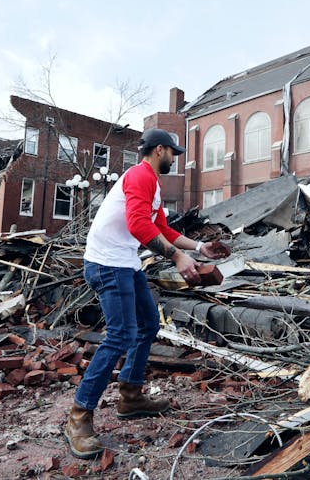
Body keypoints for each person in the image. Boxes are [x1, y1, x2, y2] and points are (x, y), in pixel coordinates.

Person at [64, 128, 230, 459]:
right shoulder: (139, 176)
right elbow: (139, 225)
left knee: (148, 324)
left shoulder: (150, 182)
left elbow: (161, 229)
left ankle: (131, 396)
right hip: (107, 264)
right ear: (158, 150)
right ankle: (79, 416)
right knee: (120, 335)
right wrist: (177, 256)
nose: (175, 158)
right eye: (173, 152)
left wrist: (199, 248)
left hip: (125, 262)